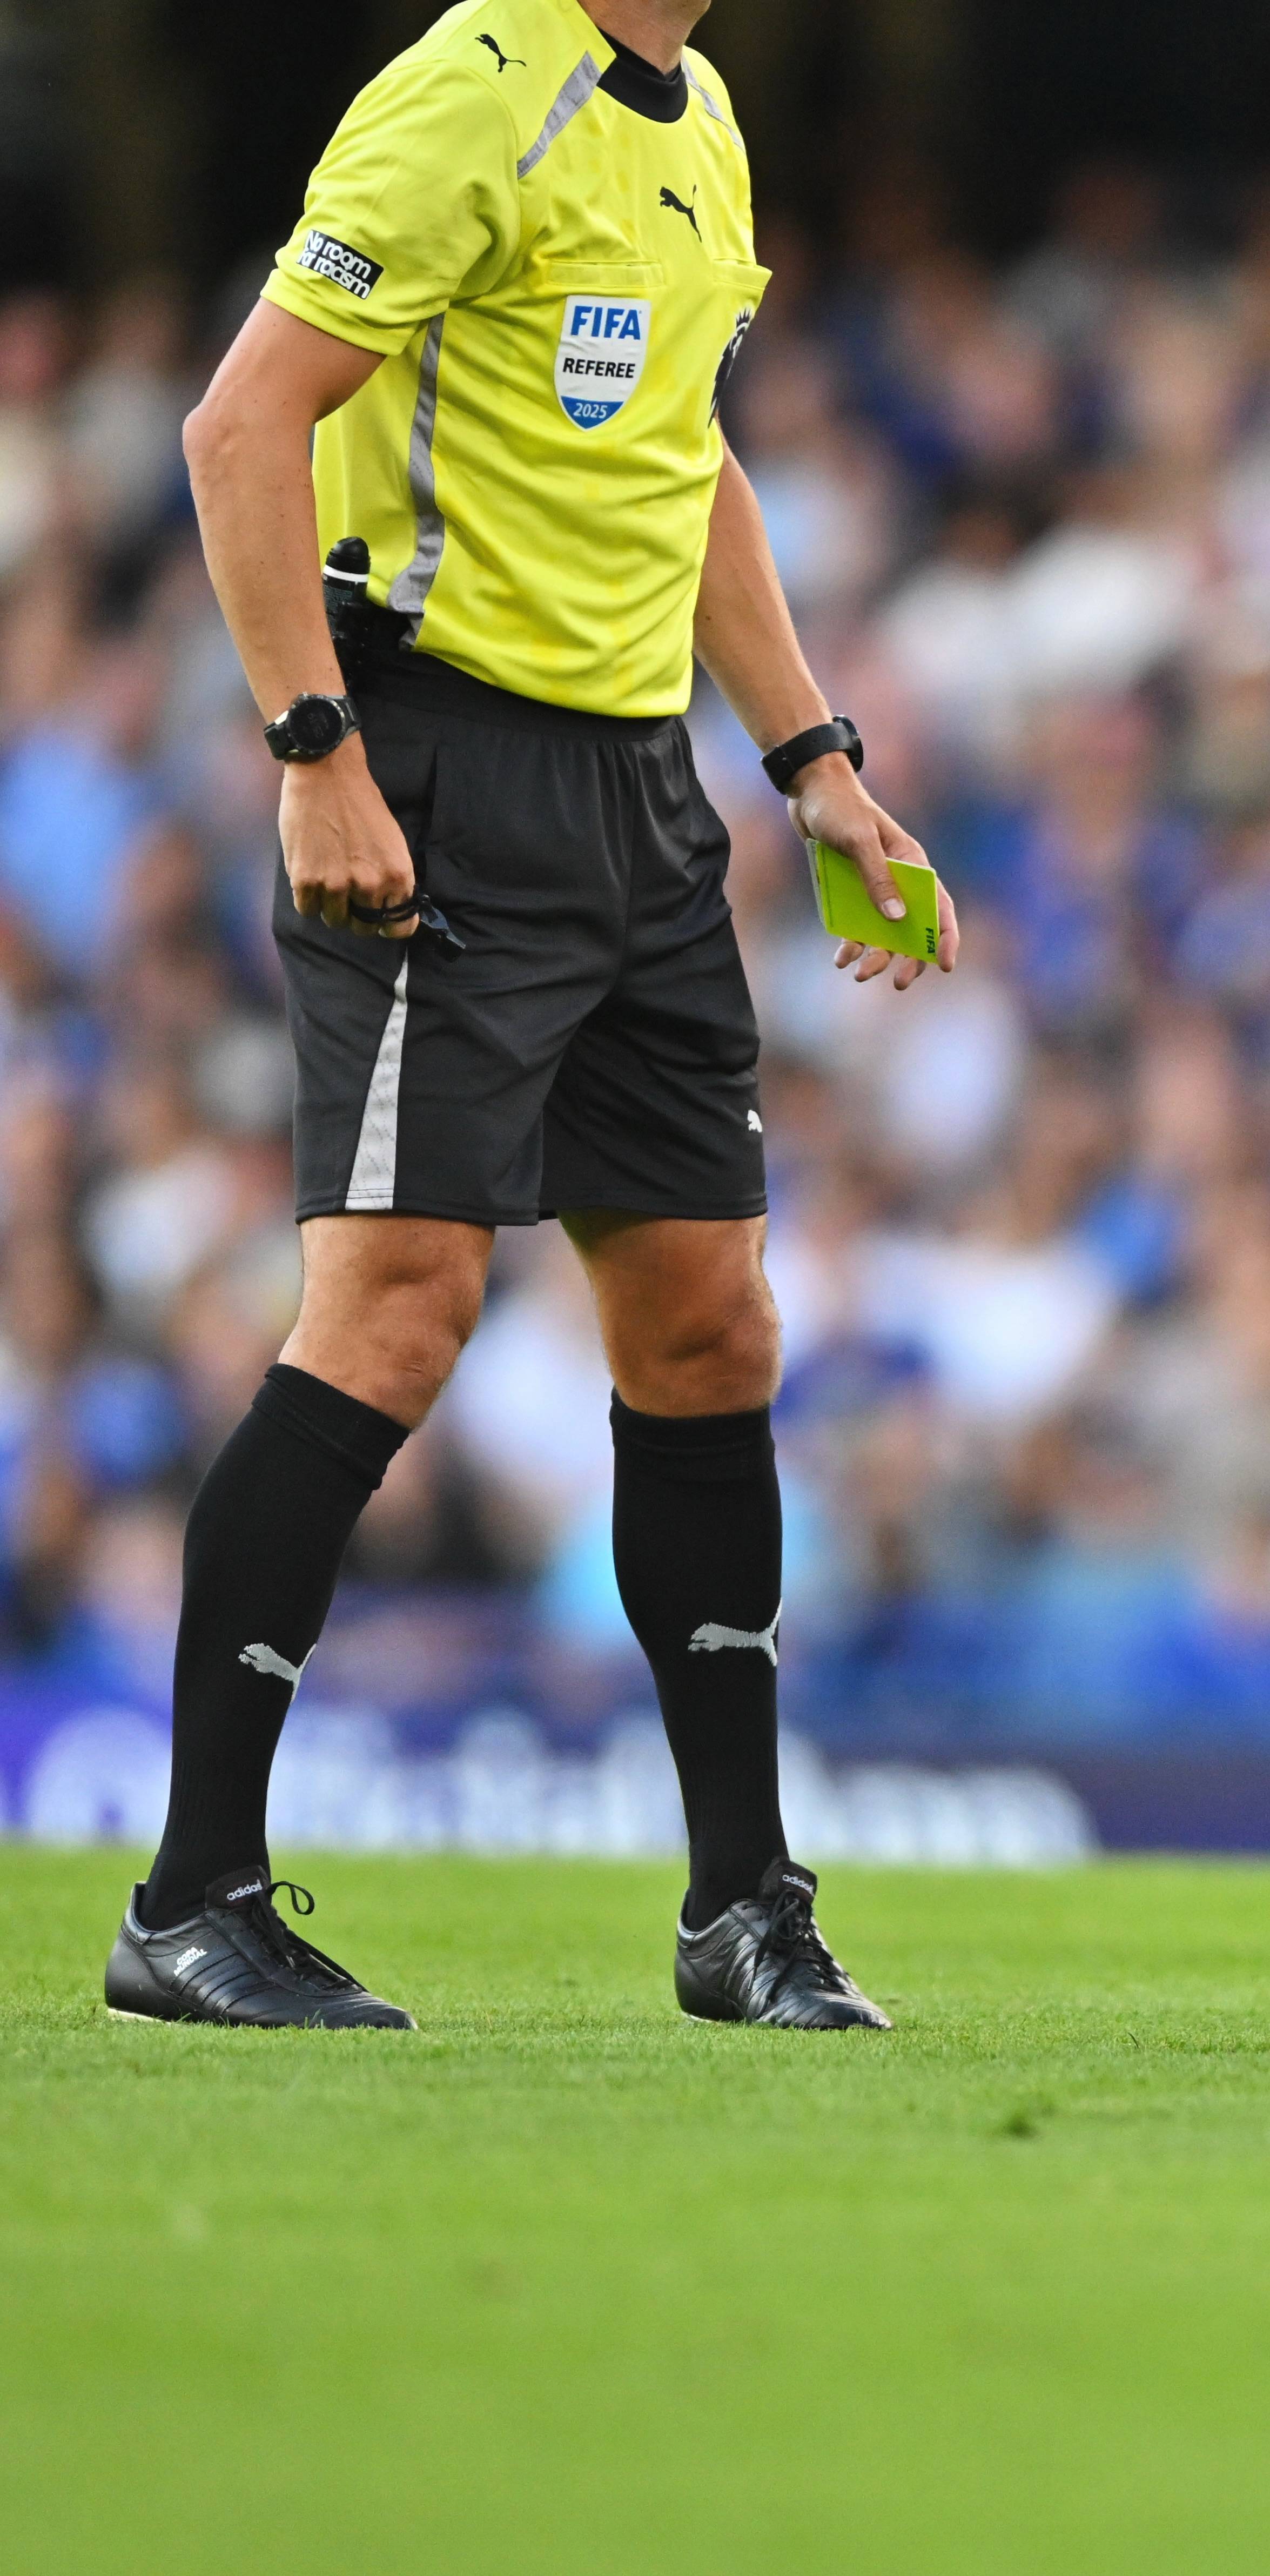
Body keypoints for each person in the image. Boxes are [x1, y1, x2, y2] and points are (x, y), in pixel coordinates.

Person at [107, 0, 954, 2030]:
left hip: (639, 795)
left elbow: (692, 472)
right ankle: (189, 1898)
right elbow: (240, 425)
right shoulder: (476, 90)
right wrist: (314, 746)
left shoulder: (708, 121)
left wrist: (815, 760)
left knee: (709, 1323)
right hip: (437, 768)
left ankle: (742, 1909)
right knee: (396, 1308)